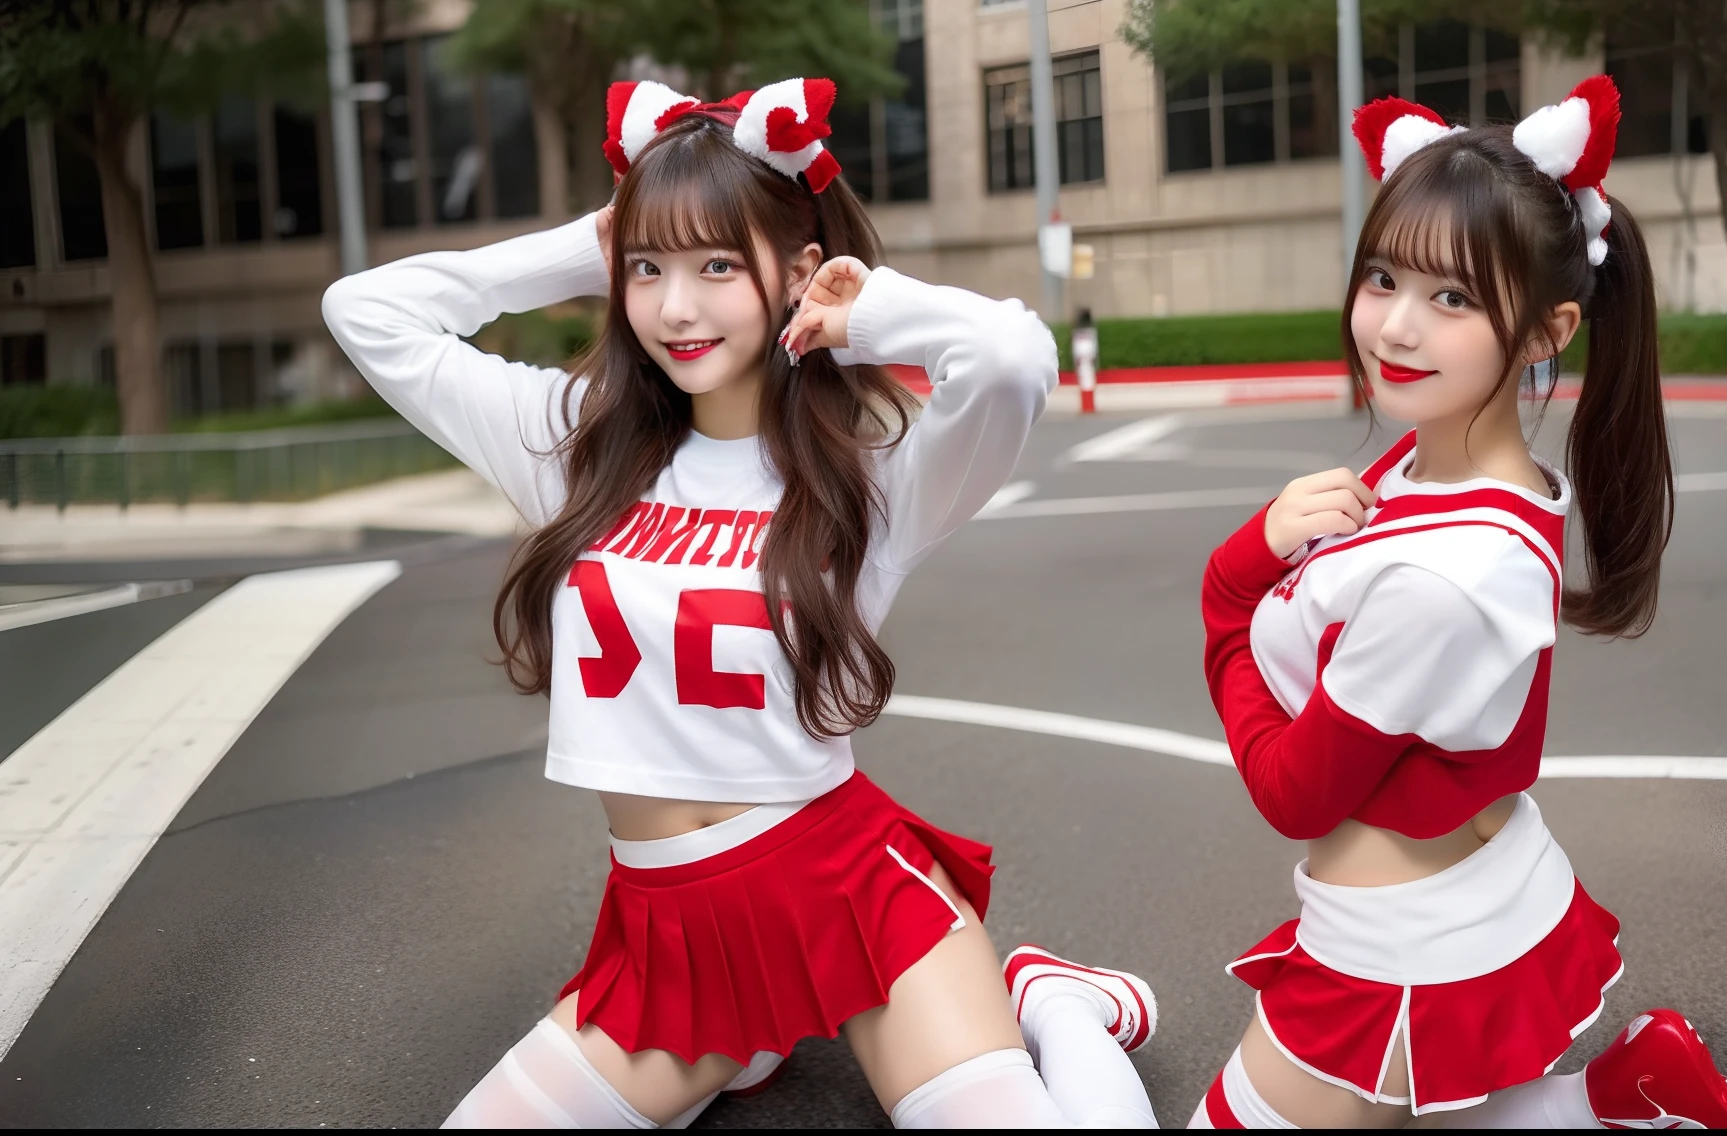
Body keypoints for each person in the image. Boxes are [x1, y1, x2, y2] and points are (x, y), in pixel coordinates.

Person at [324, 76, 1160, 1130]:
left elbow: (1006, 359)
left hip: (847, 890)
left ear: (796, 270)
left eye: (717, 264)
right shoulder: (572, 444)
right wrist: (595, 238)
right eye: (647, 269)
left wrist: (864, 309)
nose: (676, 306)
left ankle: (1059, 1005)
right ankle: (746, 1041)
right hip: (668, 935)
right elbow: (366, 313)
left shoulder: (872, 471)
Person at [1190, 79, 1727, 1129]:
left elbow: (1291, 791)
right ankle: (1623, 1092)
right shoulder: (1435, 462)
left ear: (1546, 331)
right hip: (1456, 894)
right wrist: (1257, 553)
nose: (1394, 326)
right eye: (1381, 277)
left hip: (1395, 949)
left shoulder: (1442, 576)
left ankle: (1062, 1003)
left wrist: (1225, 606)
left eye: (1452, 298)